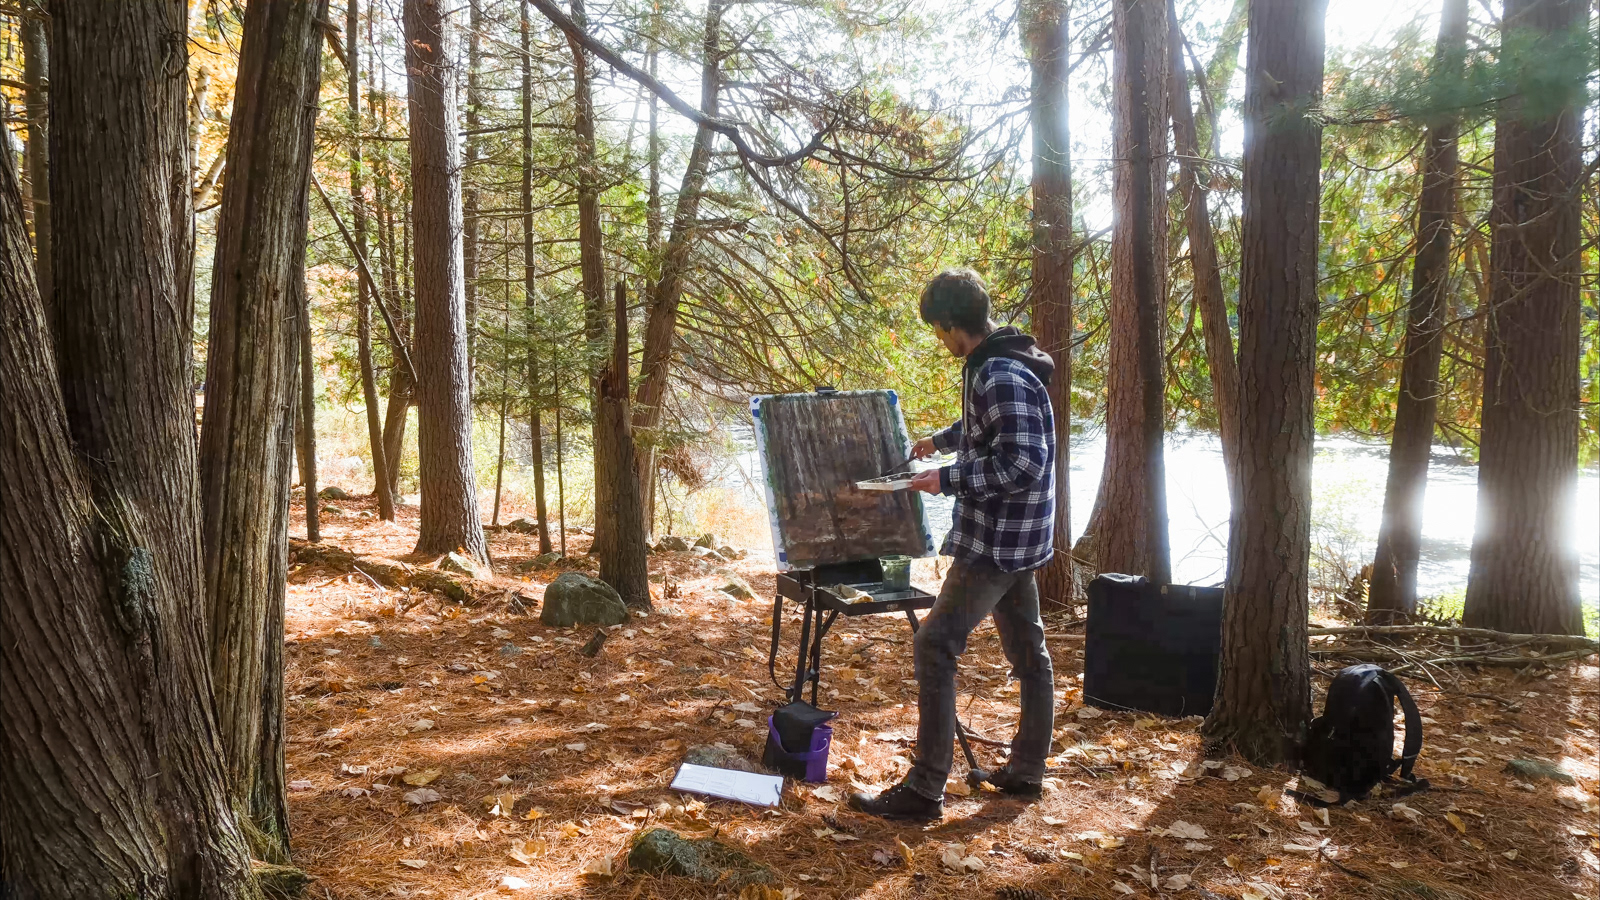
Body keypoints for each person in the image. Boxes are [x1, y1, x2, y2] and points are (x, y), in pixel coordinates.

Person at [849, 268, 1058, 822]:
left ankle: (924, 789)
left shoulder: (997, 374)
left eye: (938, 332)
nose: (940, 343)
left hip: (996, 543)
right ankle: (1026, 772)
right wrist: (939, 442)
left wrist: (948, 478)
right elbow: (990, 430)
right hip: (1022, 540)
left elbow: (1022, 461)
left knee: (935, 646)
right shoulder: (1001, 359)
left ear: (949, 325)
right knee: (1029, 654)